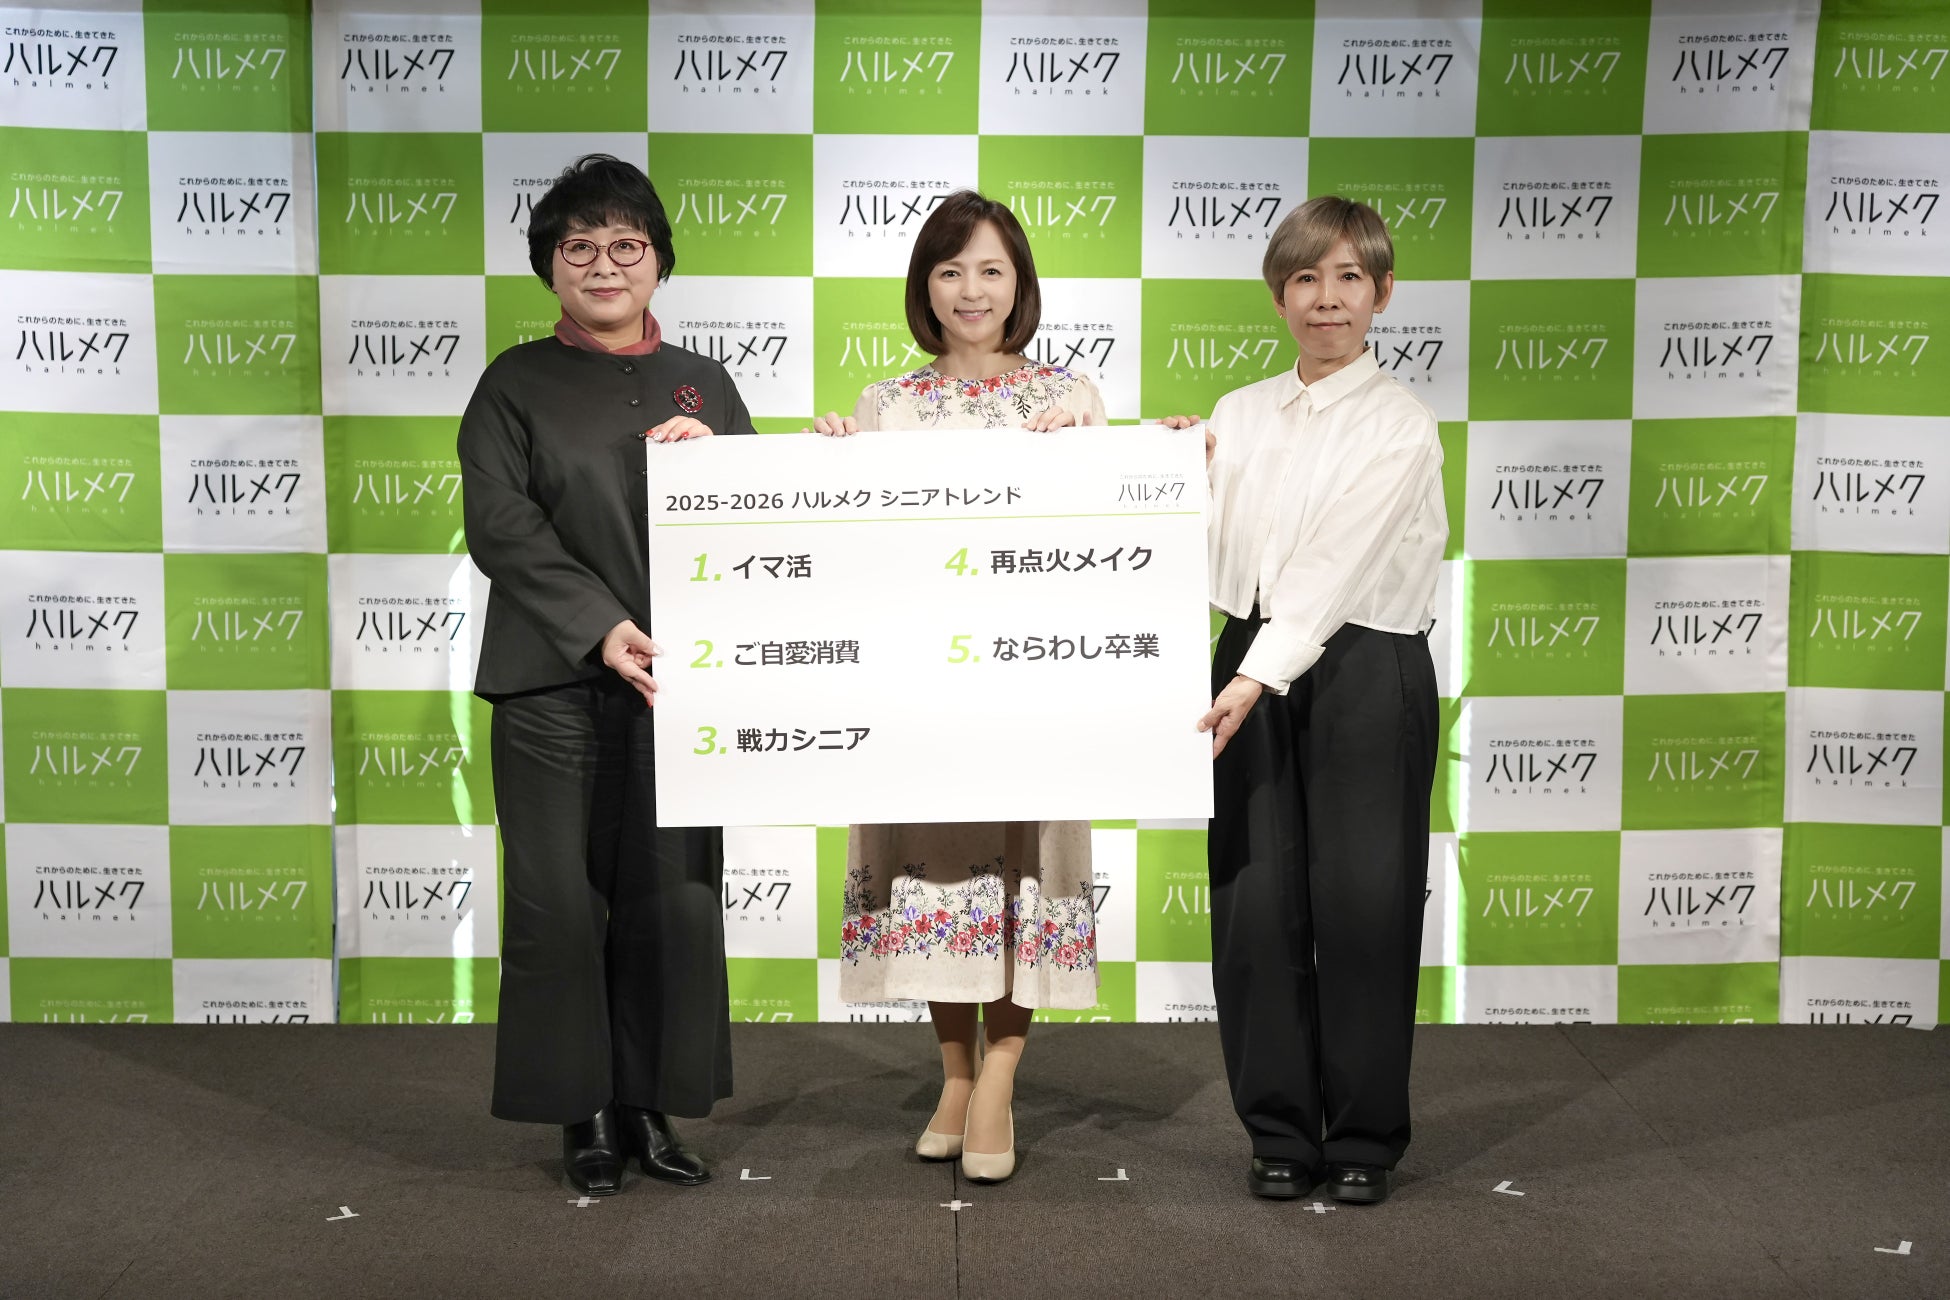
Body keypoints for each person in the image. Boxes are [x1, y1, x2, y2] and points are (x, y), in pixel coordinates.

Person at [457, 154, 755, 1197]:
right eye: (578, 246)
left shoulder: (707, 384)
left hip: (679, 688)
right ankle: (582, 1112)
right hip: (548, 686)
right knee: (558, 905)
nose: (603, 264)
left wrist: (721, 461)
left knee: (672, 904)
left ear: (659, 262)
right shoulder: (512, 383)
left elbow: (767, 527)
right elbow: (501, 526)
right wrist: (600, 628)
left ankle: (649, 1106)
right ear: (549, 266)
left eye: (627, 244)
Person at [812, 190, 1106, 1183]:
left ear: (1019, 284)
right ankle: (953, 1073)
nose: (970, 290)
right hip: (920, 693)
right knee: (933, 869)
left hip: (1036, 688)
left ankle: (1000, 1078)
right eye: (950, 270)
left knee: (1024, 865)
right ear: (924, 287)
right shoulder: (883, 405)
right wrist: (828, 469)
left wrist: (1119, 445)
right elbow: (850, 555)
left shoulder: (1071, 395)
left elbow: (1113, 533)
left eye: (990, 269)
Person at [1191, 196, 1444, 1206]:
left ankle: (1365, 1138)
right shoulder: (1240, 411)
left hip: (1365, 667)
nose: (1325, 299)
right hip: (1246, 655)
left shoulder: (1401, 424)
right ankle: (1279, 1130)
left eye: (1347, 278)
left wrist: (1257, 674)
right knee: (1253, 905)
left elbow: (1337, 564)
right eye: (1304, 278)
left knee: (1365, 907)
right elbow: (1213, 555)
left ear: (1382, 293)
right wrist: (1168, 471)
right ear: (1278, 296)